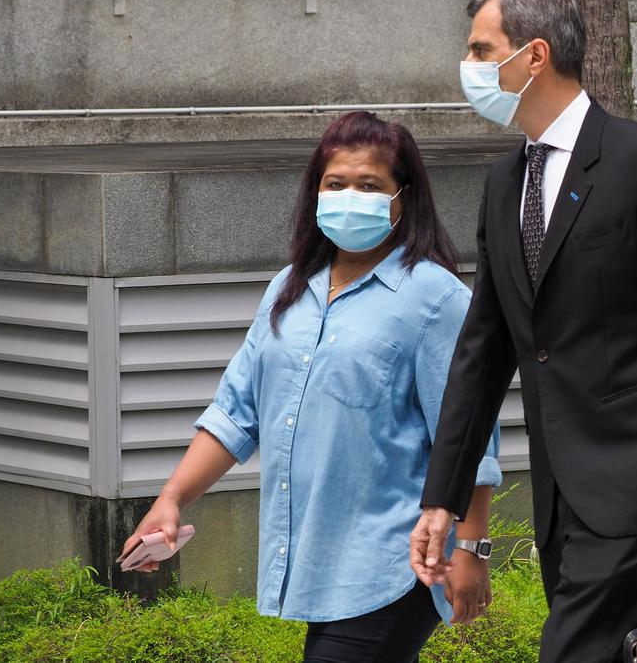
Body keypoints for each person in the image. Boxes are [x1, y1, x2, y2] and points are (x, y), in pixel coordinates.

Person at [409, 0, 637, 663]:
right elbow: (482, 351)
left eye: (479, 49)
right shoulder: (505, 182)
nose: (468, 68)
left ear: (533, 55)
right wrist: (441, 498)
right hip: (562, 496)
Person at [119, 111, 502, 663]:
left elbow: (470, 434)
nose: (350, 196)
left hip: (395, 559)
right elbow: (238, 412)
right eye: (335, 183)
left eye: (369, 185)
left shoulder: (434, 298)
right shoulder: (291, 288)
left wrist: (471, 549)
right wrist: (172, 498)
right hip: (322, 557)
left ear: (403, 198)